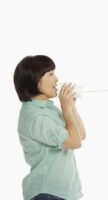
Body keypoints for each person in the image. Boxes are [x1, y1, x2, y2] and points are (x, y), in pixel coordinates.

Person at [14, 55, 86, 200]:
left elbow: (81, 135)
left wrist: (71, 107)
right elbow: (74, 142)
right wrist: (66, 110)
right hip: (48, 193)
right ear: (34, 81)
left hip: (62, 193)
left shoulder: (48, 109)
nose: (57, 79)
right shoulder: (35, 117)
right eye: (51, 74)